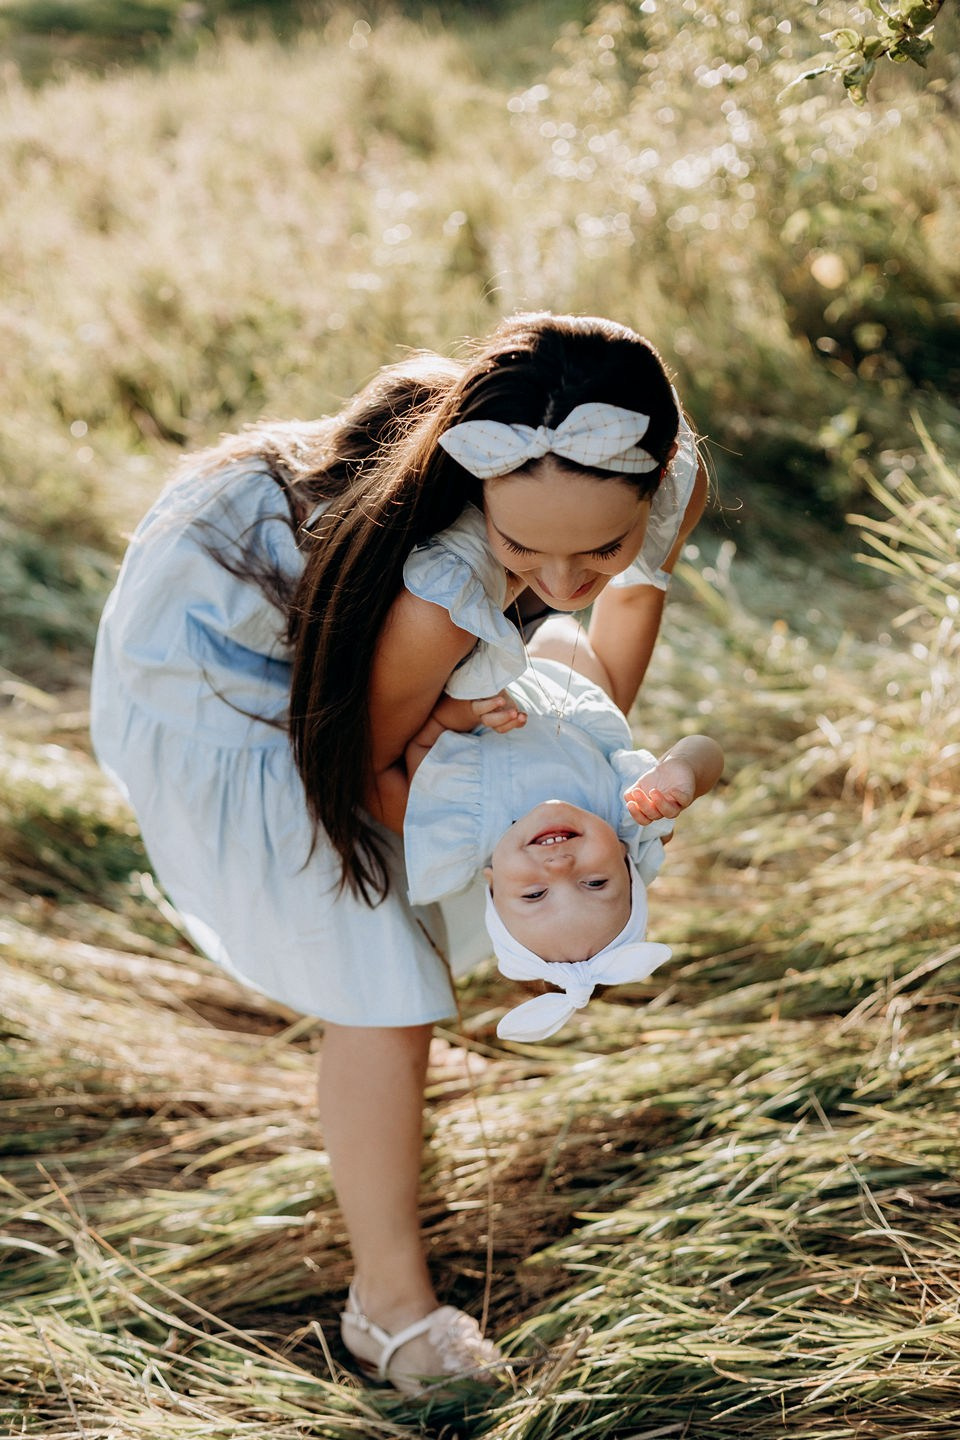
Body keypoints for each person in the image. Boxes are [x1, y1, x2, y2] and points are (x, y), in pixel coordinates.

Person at [89, 311, 707, 1395]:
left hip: (359, 640)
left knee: (503, 777)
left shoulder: (662, 488)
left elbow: (601, 702)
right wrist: (484, 829)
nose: (567, 583)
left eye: (602, 552)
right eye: (527, 552)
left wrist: (546, 815)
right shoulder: (441, 584)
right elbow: (363, 781)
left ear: (651, 492)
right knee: (383, 979)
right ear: (481, 505)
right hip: (222, 647)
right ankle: (389, 1311)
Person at [402, 625, 724, 1044]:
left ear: (493, 884)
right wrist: (684, 769)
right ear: (628, 861)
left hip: (474, 672)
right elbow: (709, 752)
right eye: (594, 882)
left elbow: (423, 747)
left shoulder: (465, 829)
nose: (559, 866)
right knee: (565, 632)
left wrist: (464, 714)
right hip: (567, 679)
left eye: (534, 894)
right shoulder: (628, 812)